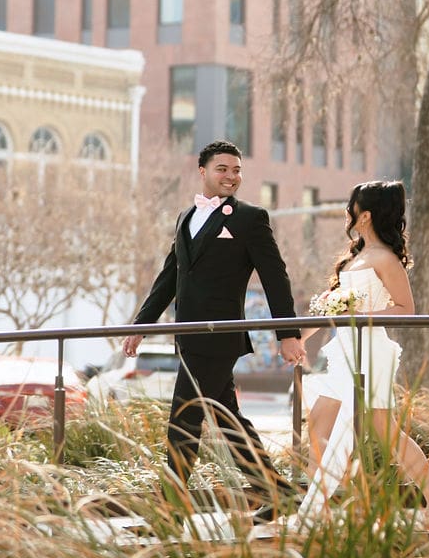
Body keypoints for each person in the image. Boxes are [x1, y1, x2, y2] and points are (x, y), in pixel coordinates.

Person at [123, 140, 308, 517]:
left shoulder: (249, 219)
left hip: (218, 336)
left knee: (184, 420)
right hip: (189, 338)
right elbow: (169, 277)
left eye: (237, 170)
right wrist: (141, 324)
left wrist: (287, 333)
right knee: (227, 420)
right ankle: (279, 493)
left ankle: (169, 513)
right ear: (203, 171)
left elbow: (275, 276)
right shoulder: (185, 217)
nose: (232, 176)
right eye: (223, 169)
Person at [297, 179, 429, 527]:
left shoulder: (385, 259)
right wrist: (298, 338)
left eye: (352, 205)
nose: (347, 211)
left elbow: (405, 308)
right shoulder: (354, 257)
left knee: (384, 430)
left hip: (371, 353)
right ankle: (317, 509)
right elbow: (329, 308)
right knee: (320, 422)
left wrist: (358, 317)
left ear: (365, 214)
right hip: (345, 353)